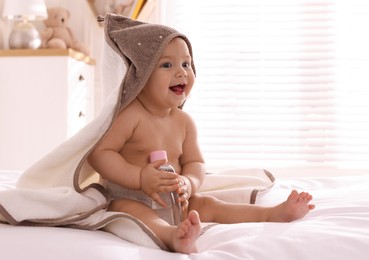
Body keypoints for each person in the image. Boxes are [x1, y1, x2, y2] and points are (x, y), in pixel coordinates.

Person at [89, 19, 315, 254]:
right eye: (167, 65)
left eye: (187, 64)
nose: (181, 72)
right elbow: (100, 155)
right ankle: (170, 236)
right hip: (132, 197)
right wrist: (139, 178)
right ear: (141, 75)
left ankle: (270, 214)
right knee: (129, 211)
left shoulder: (183, 122)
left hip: (176, 201)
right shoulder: (130, 116)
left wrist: (188, 182)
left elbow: (195, 163)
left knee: (209, 205)